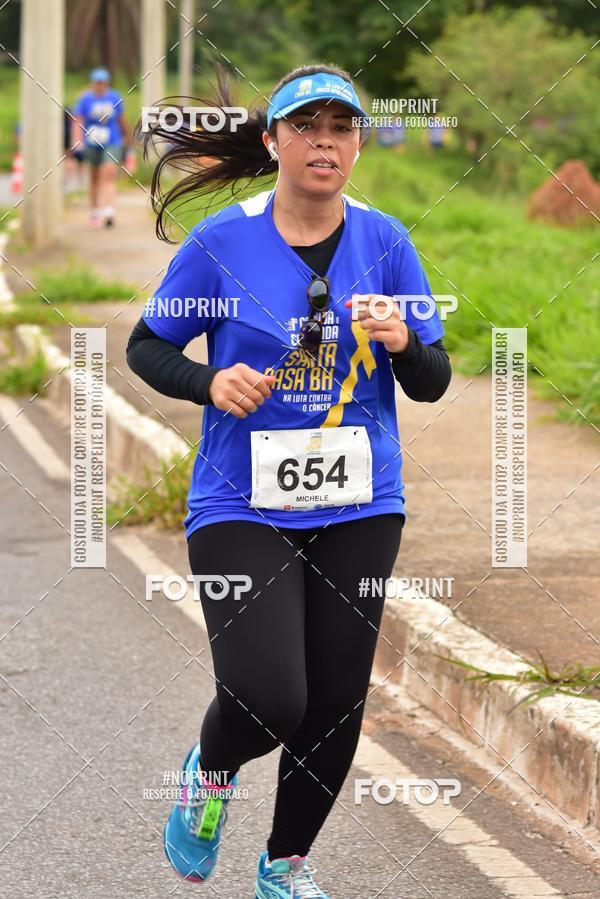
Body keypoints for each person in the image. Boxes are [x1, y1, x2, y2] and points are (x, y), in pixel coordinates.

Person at [126, 63, 451, 897]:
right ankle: (210, 771)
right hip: (241, 502)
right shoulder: (221, 244)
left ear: (357, 145)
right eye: (306, 128)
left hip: (361, 499)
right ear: (273, 142)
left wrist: (404, 343)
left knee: (337, 699)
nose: (324, 143)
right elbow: (147, 346)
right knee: (272, 695)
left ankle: (285, 865)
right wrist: (210, 383)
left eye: (340, 129)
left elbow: (433, 380)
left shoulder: (387, 242)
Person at [71, 68, 130, 228]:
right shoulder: (85, 100)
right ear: (92, 83)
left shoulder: (114, 98)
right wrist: (77, 141)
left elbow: (121, 119)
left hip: (112, 141)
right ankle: (95, 211)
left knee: (108, 174)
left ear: (107, 83)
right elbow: (79, 121)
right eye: (97, 82)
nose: (100, 85)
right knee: (94, 177)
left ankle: (110, 211)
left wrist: (127, 137)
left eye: (102, 82)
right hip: (91, 142)